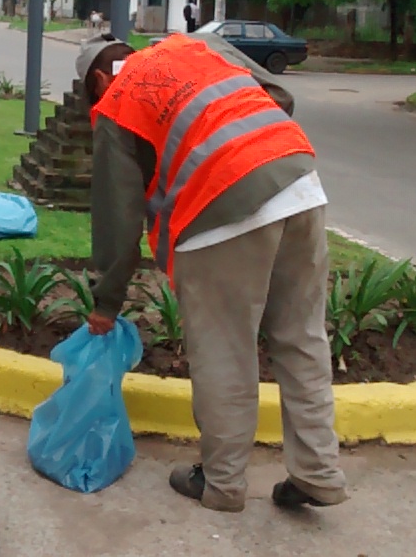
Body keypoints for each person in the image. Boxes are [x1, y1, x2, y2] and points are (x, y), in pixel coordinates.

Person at [78, 32, 348, 514]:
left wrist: (106, 301)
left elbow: (117, 215)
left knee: (225, 346)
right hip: (297, 178)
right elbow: (279, 95)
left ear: (98, 79)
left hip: (220, 211)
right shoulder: (192, 46)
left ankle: (222, 483)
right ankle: (319, 472)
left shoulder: (117, 100)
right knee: (301, 336)